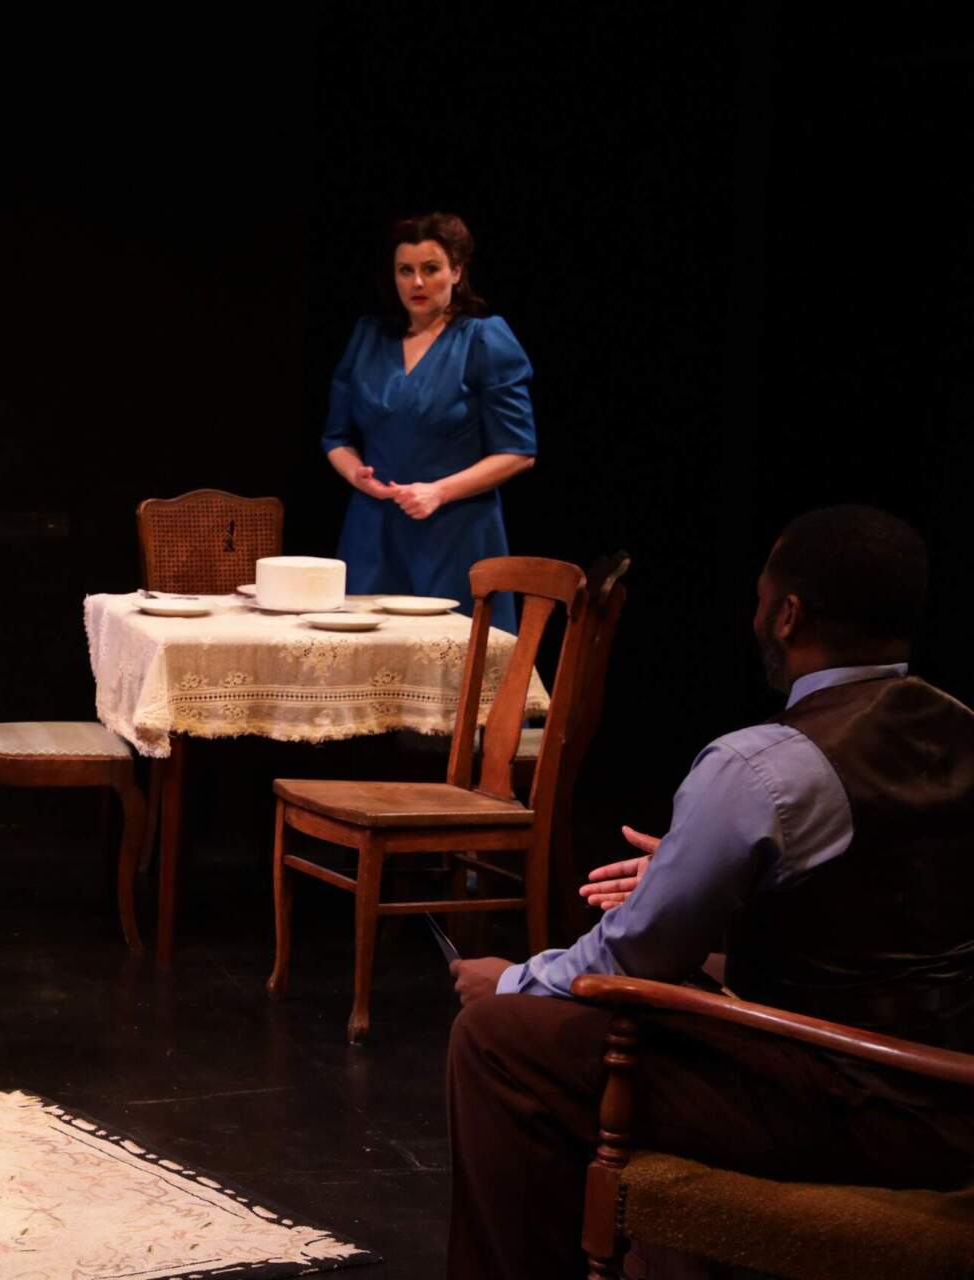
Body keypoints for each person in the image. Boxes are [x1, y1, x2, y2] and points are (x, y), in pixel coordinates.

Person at [444, 505, 974, 1279]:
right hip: (950, 1091)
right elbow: (892, 901)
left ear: (787, 614)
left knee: (501, 1040)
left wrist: (512, 979)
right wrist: (700, 867)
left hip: (851, 1099)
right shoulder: (959, 728)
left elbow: (636, 954)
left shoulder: (761, 767)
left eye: (763, 597)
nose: (757, 614)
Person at [322, 213, 537, 632]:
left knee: (455, 672)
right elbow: (335, 436)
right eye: (406, 271)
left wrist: (438, 492)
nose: (417, 283)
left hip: (455, 533)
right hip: (374, 531)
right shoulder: (369, 337)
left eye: (430, 269)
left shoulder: (483, 339)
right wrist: (358, 476)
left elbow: (518, 452)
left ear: (456, 271)